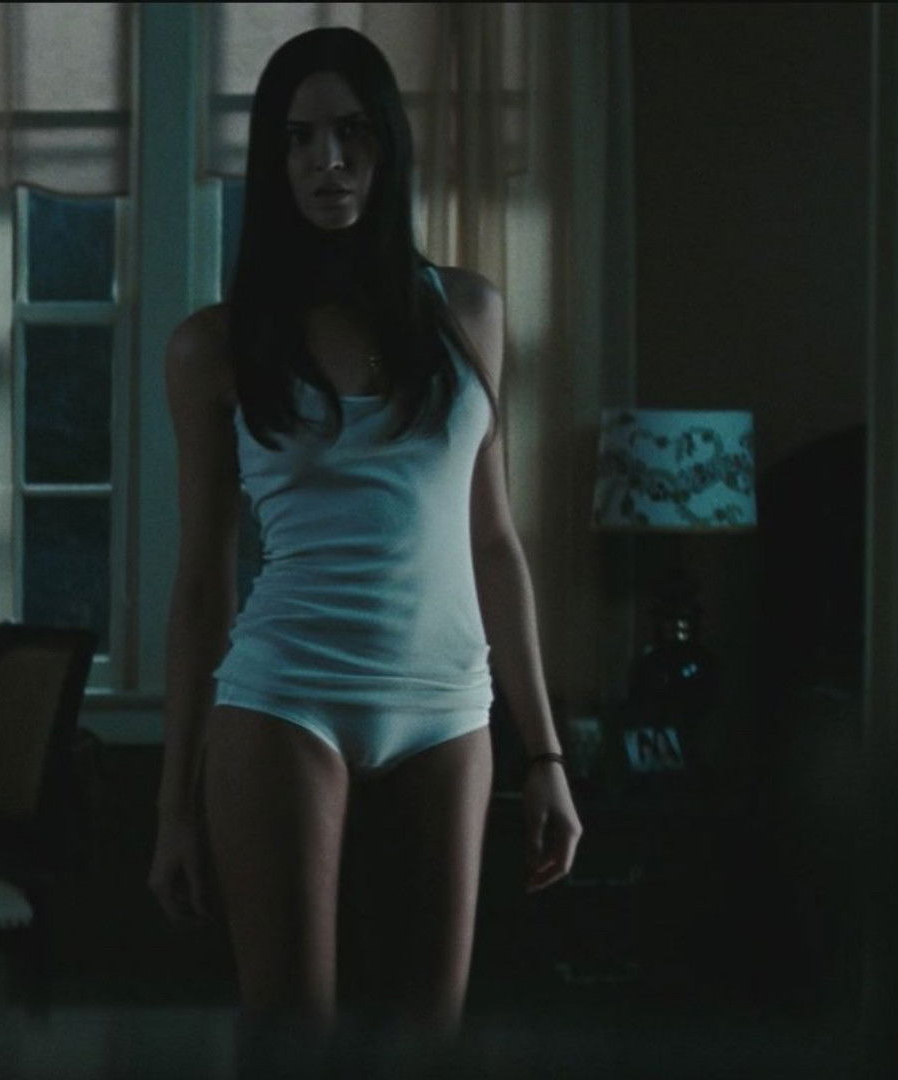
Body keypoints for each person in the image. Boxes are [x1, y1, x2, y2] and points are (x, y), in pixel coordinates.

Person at [146, 26, 583, 1080]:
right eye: (298, 140)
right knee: (291, 1046)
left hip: (447, 707)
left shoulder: (468, 314)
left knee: (428, 1049)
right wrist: (172, 807)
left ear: (388, 146)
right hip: (284, 698)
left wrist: (547, 757)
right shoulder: (216, 343)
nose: (327, 162)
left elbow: (495, 542)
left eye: (351, 134)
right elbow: (201, 581)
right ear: (273, 160)